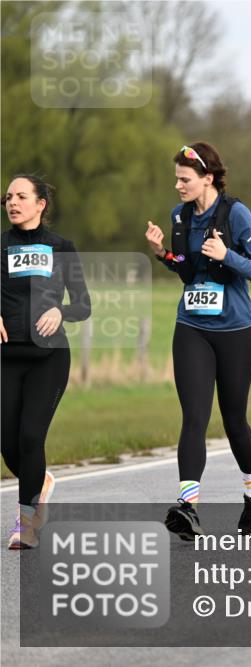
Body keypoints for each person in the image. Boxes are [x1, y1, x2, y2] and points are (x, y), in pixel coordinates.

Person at [144, 143, 251, 540]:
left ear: (208, 178)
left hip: (236, 332)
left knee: (234, 419)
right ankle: (188, 506)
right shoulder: (180, 216)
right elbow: (188, 269)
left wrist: (227, 255)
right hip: (192, 328)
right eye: (176, 179)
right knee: (194, 417)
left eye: (184, 179)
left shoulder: (236, 214)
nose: (178, 185)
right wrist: (163, 254)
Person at [2, 175, 91, 549]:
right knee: (8, 443)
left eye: (21, 196)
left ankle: (27, 524)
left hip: (49, 358)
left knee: (30, 437)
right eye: (8, 197)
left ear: (41, 204)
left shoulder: (61, 247)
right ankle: (41, 483)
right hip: (7, 358)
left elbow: (83, 304)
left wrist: (60, 311)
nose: (12, 202)